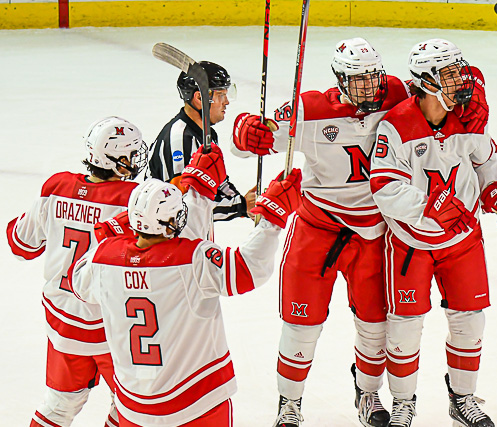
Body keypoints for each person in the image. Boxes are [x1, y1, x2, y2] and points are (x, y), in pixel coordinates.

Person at [231, 37, 489, 427]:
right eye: (359, 80)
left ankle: (367, 393)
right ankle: (289, 404)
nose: (370, 87)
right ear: (340, 80)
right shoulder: (311, 108)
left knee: (375, 327)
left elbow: (444, 92)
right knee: (302, 325)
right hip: (317, 229)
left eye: (374, 77)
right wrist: (246, 130)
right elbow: (253, 140)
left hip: (373, 234)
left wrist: (478, 99)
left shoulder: (398, 92)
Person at [68, 144, 302, 426]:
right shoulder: (193, 259)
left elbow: (80, 280)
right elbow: (248, 269)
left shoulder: (103, 260)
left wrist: (197, 194)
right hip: (196, 403)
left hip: (134, 408)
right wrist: (271, 220)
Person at [369, 38, 497, 427]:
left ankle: (463, 399)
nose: (461, 80)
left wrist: (496, 192)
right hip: (411, 242)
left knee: (470, 320)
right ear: (426, 81)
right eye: (450, 74)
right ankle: (403, 403)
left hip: (462, 239)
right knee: (405, 327)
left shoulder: (467, 117)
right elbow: (384, 187)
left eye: (459, 70)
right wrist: (430, 206)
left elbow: (485, 162)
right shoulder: (396, 125)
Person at [6, 116, 147, 427]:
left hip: (63, 323)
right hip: (111, 328)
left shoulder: (57, 187)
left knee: (58, 407)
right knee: (134, 410)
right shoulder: (132, 199)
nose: (136, 159)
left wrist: (48, 217)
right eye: (131, 153)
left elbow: (21, 245)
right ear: (116, 159)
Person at [146, 60, 256, 225]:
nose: (226, 102)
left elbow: (219, 183)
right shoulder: (181, 139)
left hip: (192, 232)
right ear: (199, 98)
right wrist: (240, 206)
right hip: (168, 235)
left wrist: (244, 202)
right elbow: (183, 206)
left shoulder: (207, 134)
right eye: (221, 95)